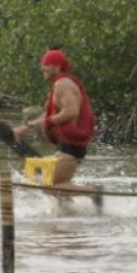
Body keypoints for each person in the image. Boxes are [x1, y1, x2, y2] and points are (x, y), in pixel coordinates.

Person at [12, 50, 101, 209]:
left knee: (48, 186)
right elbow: (48, 115)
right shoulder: (58, 85)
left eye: (46, 64)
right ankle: (69, 218)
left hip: (72, 145)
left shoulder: (63, 84)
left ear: (57, 66)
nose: (43, 68)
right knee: (60, 186)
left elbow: (71, 111)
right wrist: (24, 129)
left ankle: (93, 191)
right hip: (65, 144)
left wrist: (48, 121)